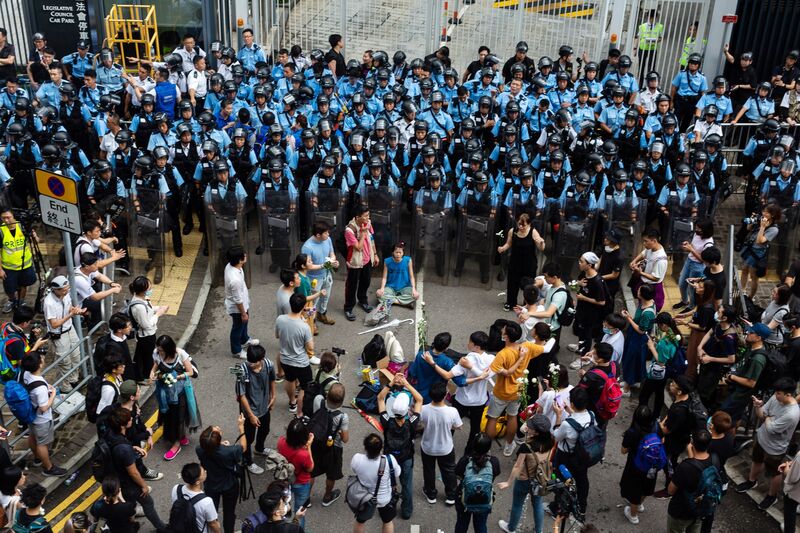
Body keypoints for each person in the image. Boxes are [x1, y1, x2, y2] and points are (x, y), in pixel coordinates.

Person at [734, 378, 800, 510]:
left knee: (775, 473)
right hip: (761, 438)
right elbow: (762, 415)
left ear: (788, 394)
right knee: (756, 460)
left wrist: (768, 418)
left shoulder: (792, 413)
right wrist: (758, 406)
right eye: (775, 393)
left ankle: (772, 496)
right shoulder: (776, 398)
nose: (775, 396)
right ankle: (751, 481)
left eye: (778, 394)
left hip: (775, 448)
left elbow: (771, 428)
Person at [487, 322, 544, 456]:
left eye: (504, 330)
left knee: (492, 418)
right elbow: (543, 348)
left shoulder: (502, 354)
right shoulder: (526, 347)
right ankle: (508, 446)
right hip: (518, 391)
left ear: (506, 337)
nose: (502, 331)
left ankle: (486, 449)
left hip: (501, 392)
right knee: (512, 417)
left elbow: (491, 372)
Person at [105, 406, 167, 530]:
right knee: (148, 502)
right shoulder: (124, 450)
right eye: (129, 419)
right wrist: (144, 486)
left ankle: (130, 519)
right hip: (128, 483)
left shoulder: (111, 435)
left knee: (129, 503)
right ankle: (161, 528)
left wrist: (133, 447)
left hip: (117, 479)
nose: (131, 419)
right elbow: (133, 472)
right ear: (123, 425)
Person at [433, 331, 494, 454]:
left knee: (451, 423)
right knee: (475, 428)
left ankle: (444, 445)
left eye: (470, 342)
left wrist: (432, 363)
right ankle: (470, 451)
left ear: (476, 346)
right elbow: (487, 376)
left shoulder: (466, 361)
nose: (468, 343)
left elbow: (448, 375)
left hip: (462, 399)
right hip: (480, 400)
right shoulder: (491, 359)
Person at [497, 414, 554, 533]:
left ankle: (511, 528)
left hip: (524, 480)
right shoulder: (551, 441)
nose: (528, 427)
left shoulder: (526, 447)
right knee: (538, 504)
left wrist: (508, 482)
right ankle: (539, 531)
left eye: (531, 427)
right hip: (540, 479)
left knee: (517, 504)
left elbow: (517, 466)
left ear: (537, 432)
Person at [150, 334, 201, 461]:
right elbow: (155, 366)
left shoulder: (180, 354)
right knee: (168, 414)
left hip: (180, 391)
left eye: (162, 350)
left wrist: (176, 377)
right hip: (164, 391)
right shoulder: (157, 353)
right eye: (158, 350)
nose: (159, 352)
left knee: (178, 416)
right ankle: (180, 435)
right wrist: (152, 374)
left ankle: (176, 444)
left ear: (169, 349)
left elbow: (190, 372)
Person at [378, 373, 422, 520]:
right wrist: (406, 383)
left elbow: (380, 398)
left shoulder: (386, 420)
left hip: (389, 457)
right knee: (407, 485)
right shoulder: (413, 422)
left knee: (387, 483)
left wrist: (392, 382)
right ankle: (406, 511)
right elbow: (419, 399)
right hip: (406, 457)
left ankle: (387, 507)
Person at [19, 351, 66, 477]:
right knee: (42, 443)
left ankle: (37, 459)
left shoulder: (26, 374)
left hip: (31, 415)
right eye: (41, 358)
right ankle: (48, 468)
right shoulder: (40, 388)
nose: (43, 358)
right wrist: (53, 394)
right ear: (39, 365)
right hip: (41, 419)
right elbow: (44, 407)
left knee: (33, 437)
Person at [196, 418, 247, 533]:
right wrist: (241, 427)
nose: (218, 427)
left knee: (211, 511)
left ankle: (213, 528)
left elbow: (211, 451)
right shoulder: (229, 452)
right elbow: (243, 447)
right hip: (230, 485)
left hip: (211, 485)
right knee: (229, 512)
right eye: (216, 430)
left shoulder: (199, 449)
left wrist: (219, 445)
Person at [552, 387, 595, 521]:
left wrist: (559, 416)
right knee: (582, 481)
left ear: (572, 404)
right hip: (584, 455)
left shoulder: (567, 424)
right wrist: (571, 412)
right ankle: (581, 510)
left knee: (562, 482)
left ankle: (560, 509)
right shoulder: (591, 416)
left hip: (566, 457)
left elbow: (556, 436)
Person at [420, 381, 462, 505]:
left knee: (429, 470)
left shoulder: (423, 409)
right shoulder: (452, 411)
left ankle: (431, 494)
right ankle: (451, 495)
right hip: (446, 447)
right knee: (449, 471)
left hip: (428, 447)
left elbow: (419, 422)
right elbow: (458, 426)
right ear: (445, 395)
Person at [666, 429, 715, 533]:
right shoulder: (715, 460)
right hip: (700, 509)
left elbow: (670, 490)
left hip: (681, 511)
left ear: (692, 442)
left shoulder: (685, 467)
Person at [236, 344, 276, 471]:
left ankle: (259, 448)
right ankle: (248, 461)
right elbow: (241, 395)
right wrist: (251, 415)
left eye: (254, 362)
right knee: (248, 438)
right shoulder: (243, 370)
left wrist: (273, 396)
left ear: (262, 359)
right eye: (249, 361)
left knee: (265, 430)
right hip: (250, 411)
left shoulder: (269, 365)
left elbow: (272, 379)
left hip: (265, 406)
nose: (251, 364)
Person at [43, 275, 86, 393]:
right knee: (64, 361)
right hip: (58, 334)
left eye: (67, 288)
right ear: (55, 290)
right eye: (64, 289)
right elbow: (54, 324)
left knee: (76, 355)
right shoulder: (49, 303)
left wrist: (75, 311)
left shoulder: (66, 295)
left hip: (69, 328)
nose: (67, 291)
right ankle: (65, 387)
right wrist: (70, 315)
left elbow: (68, 308)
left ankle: (74, 379)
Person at [351, 433, 401, 533]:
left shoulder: (357, 459)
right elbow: (397, 473)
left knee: (360, 521)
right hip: (384, 499)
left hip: (364, 498)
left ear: (365, 447)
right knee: (387, 522)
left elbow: (354, 471)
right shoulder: (389, 460)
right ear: (381, 447)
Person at [721, 323, 770, 424]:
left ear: (758, 338)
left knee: (726, 418)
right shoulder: (751, 347)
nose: (747, 333)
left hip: (740, 395)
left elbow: (751, 383)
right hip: (735, 389)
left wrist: (732, 377)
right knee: (734, 418)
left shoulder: (758, 359)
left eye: (751, 332)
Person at [310, 382, 349, 508]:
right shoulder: (343, 417)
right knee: (331, 474)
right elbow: (345, 439)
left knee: (312, 471)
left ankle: (306, 498)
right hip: (333, 448)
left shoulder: (318, 401)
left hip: (315, 442)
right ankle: (327, 496)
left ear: (327, 396)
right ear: (342, 401)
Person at [453, 432, 501, 533]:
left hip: (464, 498)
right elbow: (495, 474)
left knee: (462, 523)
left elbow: (458, 474)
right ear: (488, 448)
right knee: (481, 525)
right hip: (484, 499)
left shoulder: (465, 460)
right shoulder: (494, 462)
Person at [275, 293, 314, 414]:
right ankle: (300, 411)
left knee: (290, 380)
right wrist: (307, 323)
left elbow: (277, 335)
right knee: (305, 387)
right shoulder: (304, 326)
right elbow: (310, 347)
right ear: (303, 307)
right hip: (301, 362)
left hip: (285, 359)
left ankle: (292, 403)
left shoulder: (280, 319)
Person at [497, 213, 545, 311]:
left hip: (529, 264)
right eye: (519, 224)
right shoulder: (512, 231)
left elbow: (541, 248)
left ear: (529, 224)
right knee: (512, 283)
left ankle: (527, 304)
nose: (521, 227)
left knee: (529, 285)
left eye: (524, 225)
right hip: (515, 262)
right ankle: (510, 303)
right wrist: (502, 248)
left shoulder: (533, 232)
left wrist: (542, 242)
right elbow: (508, 243)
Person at [619, 405, 658, 525]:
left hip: (636, 466)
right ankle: (640, 504)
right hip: (652, 465)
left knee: (635, 491)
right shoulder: (656, 427)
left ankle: (633, 515)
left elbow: (623, 451)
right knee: (646, 487)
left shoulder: (632, 432)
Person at [697, 305, 738, 411]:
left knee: (705, 390)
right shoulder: (719, 324)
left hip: (714, 368)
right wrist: (700, 346)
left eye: (719, 312)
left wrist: (710, 359)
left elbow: (731, 359)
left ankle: (705, 410)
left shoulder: (729, 338)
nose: (716, 313)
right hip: (706, 360)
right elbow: (710, 332)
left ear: (725, 318)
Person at [128, 276, 169, 384]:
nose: (151, 290)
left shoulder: (140, 299)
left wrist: (159, 308)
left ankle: (139, 376)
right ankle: (146, 375)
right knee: (147, 356)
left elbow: (149, 309)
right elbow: (146, 325)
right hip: (146, 335)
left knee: (140, 355)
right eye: (149, 288)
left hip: (145, 335)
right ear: (143, 291)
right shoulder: (138, 307)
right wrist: (158, 314)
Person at [638, 312, 680, 417]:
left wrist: (652, 347)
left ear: (664, 325)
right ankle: (656, 415)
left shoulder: (666, 342)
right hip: (665, 372)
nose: (657, 326)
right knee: (659, 392)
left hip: (658, 371)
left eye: (659, 324)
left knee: (644, 395)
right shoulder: (674, 334)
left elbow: (661, 362)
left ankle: (642, 414)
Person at [675, 279, 717, 379]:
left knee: (693, 355)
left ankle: (690, 376)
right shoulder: (702, 299)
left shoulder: (707, 308)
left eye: (701, 286)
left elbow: (702, 326)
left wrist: (685, 323)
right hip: (696, 331)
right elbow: (696, 310)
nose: (697, 286)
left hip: (700, 334)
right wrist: (684, 315)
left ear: (706, 291)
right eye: (698, 284)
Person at [701, 411, 736, 533]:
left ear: (712, 426)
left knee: (702, 507)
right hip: (720, 477)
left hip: (707, 478)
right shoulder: (729, 438)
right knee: (711, 508)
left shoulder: (708, 444)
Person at [568, 252, 607, 362]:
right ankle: (581, 347)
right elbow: (574, 286)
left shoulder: (597, 282)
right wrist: (578, 284)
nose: (579, 263)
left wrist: (584, 298)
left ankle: (584, 358)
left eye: (581, 261)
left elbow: (602, 302)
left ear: (589, 265)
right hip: (582, 309)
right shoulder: (583, 274)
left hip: (591, 313)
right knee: (581, 329)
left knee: (587, 333)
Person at [344, 206, 379, 321]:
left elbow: (372, 239)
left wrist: (375, 254)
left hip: (367, 260)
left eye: (368, 215)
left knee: (366, 282)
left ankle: (362, 301)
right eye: (365, 216)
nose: (368, 218)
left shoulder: (368, 223)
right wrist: (363, 233)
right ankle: (348, 308)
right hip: (355, 262)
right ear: (357, 217)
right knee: (352, 285)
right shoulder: (350, 230)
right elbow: (358, 247)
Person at [277, 418, 314, 526]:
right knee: (300, 511)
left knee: (283, 508)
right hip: (300, 483)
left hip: (285, 480)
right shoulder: (303, 454)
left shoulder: (281, 442)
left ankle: (283, 527)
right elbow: (310, 468)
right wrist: (309, 446)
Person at [620, 284, 656, 395]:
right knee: (632, 358)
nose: (637, 291)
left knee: (632, 360)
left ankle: (626, 389)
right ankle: (632, 381)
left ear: (643, 295)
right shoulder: (646, 302)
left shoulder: (648, 313)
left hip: (638, 338)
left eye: (639, 290)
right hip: (634, 334)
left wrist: (628, 318)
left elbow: (641, 330)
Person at [0, 208, 38, 312]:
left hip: (25, 264)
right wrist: (0, 269)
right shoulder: (1, 231)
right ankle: (12, 300)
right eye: (3, 218)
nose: (6, 220)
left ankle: (21, 301)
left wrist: (34, 236)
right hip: (9, 267)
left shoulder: (22, 226)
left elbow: (37, 241)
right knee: (9, 288)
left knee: (23, 284)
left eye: (8, 217)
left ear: (14, 217)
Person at [301, 221, 339, 325]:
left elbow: (332, 253)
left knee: (325, 298)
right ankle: (311, 321)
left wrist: (332, 261)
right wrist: (323, 265)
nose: (328, 234)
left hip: (327, 275)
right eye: (326, 233)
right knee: (313, 301)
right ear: (318, 235)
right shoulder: (307, 247)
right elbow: (308, 266)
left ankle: (322, 314)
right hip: (314, 279)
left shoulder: (327, 240)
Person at [740, 204, 781, 298]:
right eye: (763, 211)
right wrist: (752, 221)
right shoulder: (760, 219)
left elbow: (760, 241)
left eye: (766, 212)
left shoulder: (774, 229)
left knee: (754, 276)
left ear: (773, 215)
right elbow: (748, 228)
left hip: (757, 253)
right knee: (744, 269)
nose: (763, 213)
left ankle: (750, 297)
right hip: (749, 248)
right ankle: (742, 290)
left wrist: (762, 227)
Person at [225, 245, 259, 359]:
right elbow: (237, 300)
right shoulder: (234, 279)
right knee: (237, 327)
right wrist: (243, 313)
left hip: (243, 304)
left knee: (243, 324)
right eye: (243, 255)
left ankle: (244, 339)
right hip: (238, 309)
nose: (246, 255)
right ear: (239, 260)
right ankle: (236, 350)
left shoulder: (232, 266)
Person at [72, 252, 122, 330]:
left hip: (81, 298)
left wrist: (111, 283)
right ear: (87, 266)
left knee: (97, 305)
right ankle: (89, 329)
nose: (97, 265)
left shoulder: (85, 269)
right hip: (74, 305)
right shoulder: (79, 280)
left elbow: (99, 276)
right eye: (95, 264)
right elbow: (95, 297)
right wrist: (112, 290)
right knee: (75, 328)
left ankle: (93, 327)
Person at [527, 263, 569, 355]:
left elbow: (548, 313)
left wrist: (529, 313)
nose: (544, 279)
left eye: (546, 277)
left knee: (547, 352)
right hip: (548, 324)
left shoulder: (560, 294)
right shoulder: (553, 287)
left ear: (554, 277)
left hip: (552, 327)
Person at [673, 219, 715, 311]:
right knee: (681, 283)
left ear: (705, 230)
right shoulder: (697, 234)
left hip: (697, 266)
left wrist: (691, 250)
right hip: (689, 261)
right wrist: (688, 245)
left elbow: (703, 260)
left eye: (699, 229)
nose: (696, 230)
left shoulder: (708, 243)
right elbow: (693, 245)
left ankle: (691, 306)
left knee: (692, 289)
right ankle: (684, 301)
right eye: (696, 228)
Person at [0, 304, 47, 382]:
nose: (29, 323)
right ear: (24, 323)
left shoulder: (6, 325)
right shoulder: (16, 342)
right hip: (16, 373)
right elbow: (23, 363)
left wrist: (32, 335)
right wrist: (36, 345)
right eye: (29, 322)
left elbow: (22, 341)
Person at [171, 462, 221, 533]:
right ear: (197, 482)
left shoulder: (176, 489)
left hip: (179, 527)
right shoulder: (206, 501)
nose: (206, 471)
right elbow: (213, 524)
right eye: (203, 472)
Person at [576, 342, 617, 428]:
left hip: (593, 407)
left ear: (600, 359)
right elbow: (603, 369)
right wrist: (592, 360)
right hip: (606, 406)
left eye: (594, 353)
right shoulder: (615, 366)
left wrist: (584, 375)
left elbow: (578, 390)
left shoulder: (591, 376)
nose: (592, 354)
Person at [629, 229, 668, 312]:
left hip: (652, 286)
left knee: (650, 308)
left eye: (646, 241)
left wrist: (640, 273)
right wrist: (634, 261)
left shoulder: (661, 259)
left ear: (654, 241)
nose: (644, 243)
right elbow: (643, 253)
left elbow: (656, 278)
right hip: (644, 281)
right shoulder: (650, 248)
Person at [376, 242, 419, 308]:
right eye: (396, 252)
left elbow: (411, 276)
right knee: (378, 294)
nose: (398, 254)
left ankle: (390, 301)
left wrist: (413, 289)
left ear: (403, 253)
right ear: (393, 252)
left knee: (416, 296)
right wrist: (382, 288)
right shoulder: (387, 261)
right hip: (391, 287)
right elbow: (384, 278)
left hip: (405, 287)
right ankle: (404, 303)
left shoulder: (408, 260)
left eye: (400, 252)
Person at [780, 447, 800, 533]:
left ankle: (789, 530)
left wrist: (787, 468)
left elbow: (792, 478)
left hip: (795, 492)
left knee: (790, 510)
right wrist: (793, 463)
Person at [0, 465, 24, 530]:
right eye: (22, 476)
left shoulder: (2, 491)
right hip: (16, 524)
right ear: (15, 481)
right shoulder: (17, 501)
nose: (24, 477)